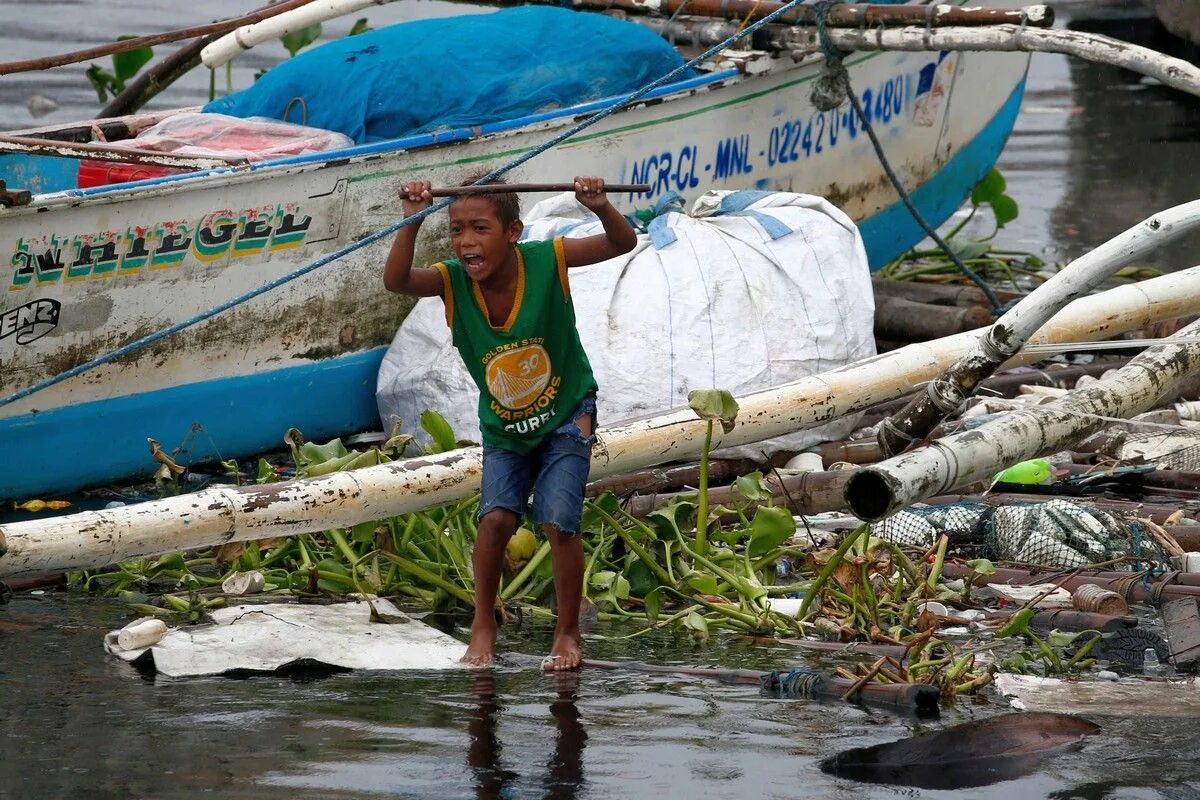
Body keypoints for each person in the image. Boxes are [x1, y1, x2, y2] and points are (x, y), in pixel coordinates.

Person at [383, 175, 637, 669]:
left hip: (566, 414)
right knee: (496, 520)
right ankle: (483, 622)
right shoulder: (452, 280)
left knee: (558, 521)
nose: (467, 242)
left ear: (513, 232)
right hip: (504, 428)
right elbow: (396, 281)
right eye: (457, 230)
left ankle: (566, 634)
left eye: (480, 228)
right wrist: (412, 219)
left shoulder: (548, 260)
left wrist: (600, 205)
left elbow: (622, 241)